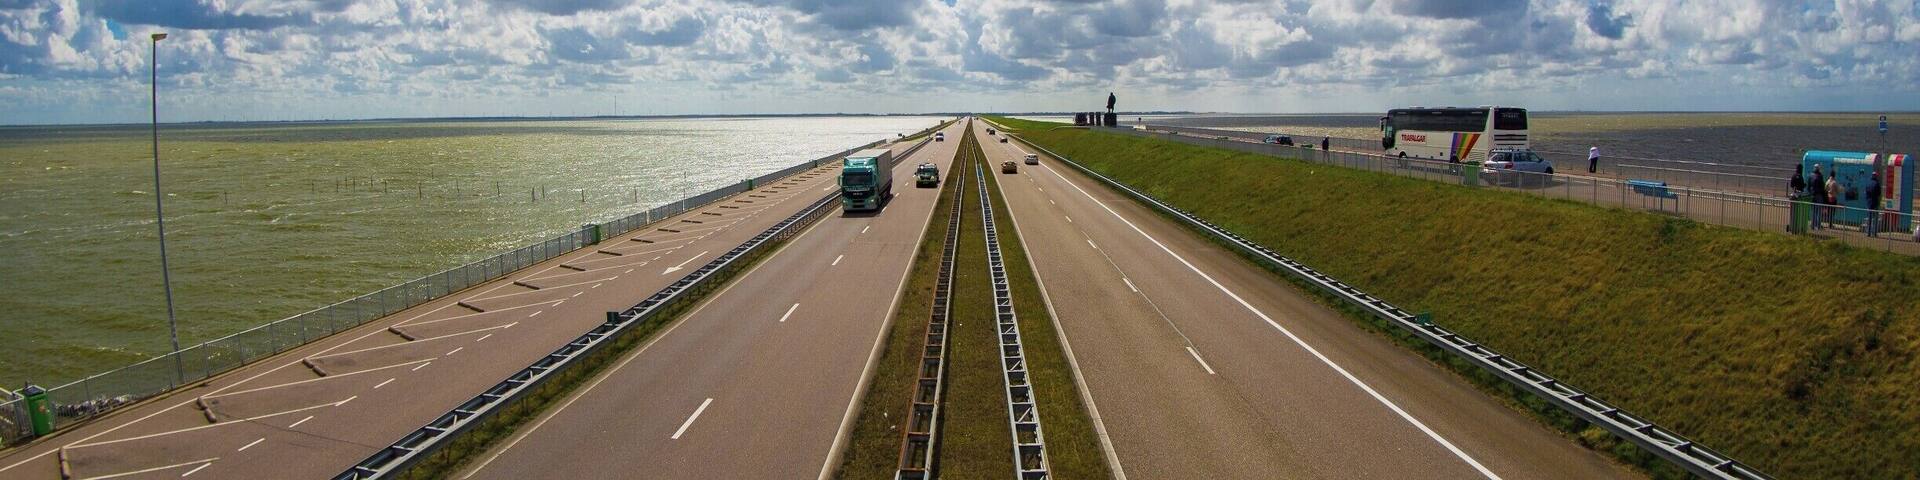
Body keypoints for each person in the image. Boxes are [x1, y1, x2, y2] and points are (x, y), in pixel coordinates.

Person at [1865, 172, 1882, 237]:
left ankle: (1868, 233)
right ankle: (1874, 233)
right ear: (1876, 176)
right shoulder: (1877, 184)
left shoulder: (1868, 183)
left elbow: (1866, 193)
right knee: (1875, 219)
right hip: (1875, 203)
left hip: (1869, 203)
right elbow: (1879, 194)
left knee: (1869, 218)